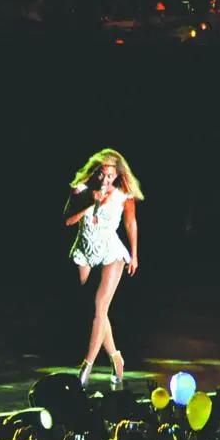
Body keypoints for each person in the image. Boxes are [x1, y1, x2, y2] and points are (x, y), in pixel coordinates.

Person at [64, 149, 143, 390]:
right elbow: (67, 220)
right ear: (95, 172)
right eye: (102, 175)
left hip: (111, 250)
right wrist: (90, 201)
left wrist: (134, 254)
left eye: (110, 176)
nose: (106, 180)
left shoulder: (123, 194)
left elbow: (130, 222)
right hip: (85, 249)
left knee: (100, 306)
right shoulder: (81, 188)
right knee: (96, 310)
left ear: (117, 175)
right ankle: (117, 359)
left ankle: (86, 367)